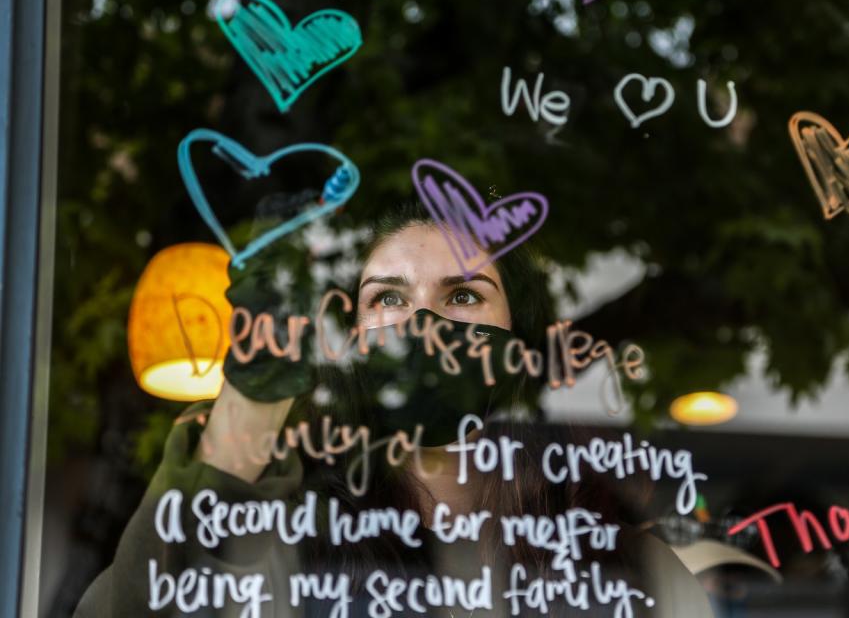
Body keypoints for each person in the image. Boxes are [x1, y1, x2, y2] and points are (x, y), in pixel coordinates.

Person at [75, 203, 714, 617]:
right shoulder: (286, 540)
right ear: (350, 336)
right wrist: (251, 404)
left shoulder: (621, 553)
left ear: (519, 339)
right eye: (387, 298)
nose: (424, 323)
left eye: (463, 295)